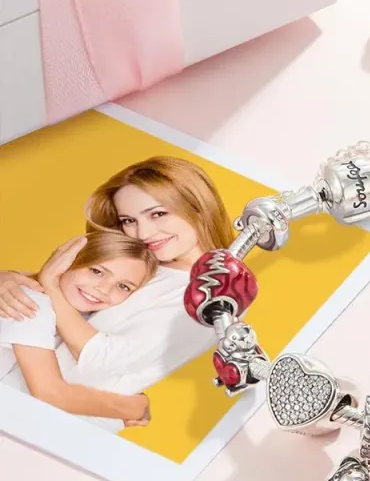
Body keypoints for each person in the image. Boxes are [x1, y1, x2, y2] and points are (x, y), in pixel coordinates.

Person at [0, 156, 233, 432]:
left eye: (158, 214)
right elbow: (76, 289)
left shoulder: (208, 296)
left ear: (197, 206)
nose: (143, 232)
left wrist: (48, 284)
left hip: (62, 427)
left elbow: (97, 359)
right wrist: (12, 279)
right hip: (21, 405)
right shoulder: (152, 263)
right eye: (129, 220)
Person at [0, 231, 158, 426]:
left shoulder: (83, 324)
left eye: (124, 286)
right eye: (97, 271)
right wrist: (129, 406)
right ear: (69, 261)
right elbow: (50, 392)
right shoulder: (29, 301)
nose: (104, 289)